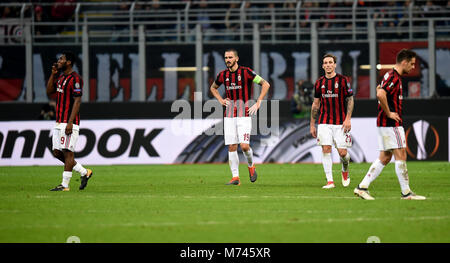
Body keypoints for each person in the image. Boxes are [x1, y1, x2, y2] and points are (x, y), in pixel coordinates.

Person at [354, 49, 426, 200]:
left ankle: (362, 187)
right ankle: (406, 193)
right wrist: (389, 113)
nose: (413, 67)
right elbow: (380, 94)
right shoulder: (393, 77)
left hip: (384, 123)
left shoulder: (390, 75)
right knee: (401, 154)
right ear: (404, 62)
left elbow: (379, 90)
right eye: (412, 64)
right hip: (390, 123)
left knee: (385, 157)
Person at [210, 49, 270, 186]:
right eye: (226, 57)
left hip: (244, 114)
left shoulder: (246, 72)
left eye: (230, 57)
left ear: (236, 58)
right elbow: (213, 88)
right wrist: (220, 100)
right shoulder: (222, 75)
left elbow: (265, 84)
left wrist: (259, 101)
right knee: (232, 146)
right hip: (229, 115)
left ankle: (251, 165)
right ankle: (235, 178)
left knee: (244, 146)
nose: (227, 60)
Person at [46, 51, 93, 191]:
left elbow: (77, 101)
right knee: (57, 153)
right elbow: (49, 92)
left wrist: (70, 122)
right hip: (59, 121)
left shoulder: (75, 79)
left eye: (61, 59)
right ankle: (85, 172)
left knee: (68, 153)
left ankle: (65, 185)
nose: (59, 61)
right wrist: (53, 74)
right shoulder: (60, 78)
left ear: (69, 62)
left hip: (69, 121)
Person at [310, 54, 354, 189]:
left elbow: (350, 100)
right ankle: (330, 181)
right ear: (322, 66)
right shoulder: (319, 83)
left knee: (343, 153)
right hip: (324, 121)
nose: (328, 65)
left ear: (335, 65)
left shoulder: (343, 80)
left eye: (330, 62)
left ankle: (345, 169)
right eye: (325, 63)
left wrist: (348, 119)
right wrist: (312, 124)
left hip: (340, 122)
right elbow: (315, 104)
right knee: (326, 148)